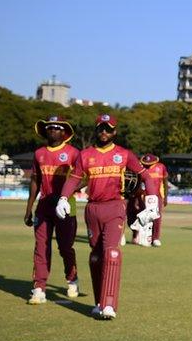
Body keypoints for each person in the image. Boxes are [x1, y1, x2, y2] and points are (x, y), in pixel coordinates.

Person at [56, 114, 159, 320]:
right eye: (101, 128)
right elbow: (74, 179)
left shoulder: (124, 154)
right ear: (96, 130)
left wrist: (152, 198)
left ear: (115, 131)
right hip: (93, 209)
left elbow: (145, 175)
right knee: (96, 256)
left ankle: (109, 305)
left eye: (108, 128)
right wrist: (63, 198)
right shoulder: (85, 155)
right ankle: (99, 302)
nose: (104, 132)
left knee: (112, 253)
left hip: (115, 207)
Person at [24, 115, 80, 304]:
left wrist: (67, 193)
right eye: (49, 127)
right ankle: (39, 287)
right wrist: (29, 207)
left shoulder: (73, 153)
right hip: (44, 207)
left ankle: (72, 278)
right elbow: (35, 181)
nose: (53, 130)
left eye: (57, 127)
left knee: (65, 247)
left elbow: (83, 178)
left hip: (66, 206)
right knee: (41, 247)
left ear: (64, 132)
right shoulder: (39, 153)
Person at [140, 154, 168, 246]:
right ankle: (145, 238)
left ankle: (155, 238)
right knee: (145, 218)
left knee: (157, 217)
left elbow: (165, 182)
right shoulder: (141, 168)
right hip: (145, 196)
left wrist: (166, 197)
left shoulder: (161, 167)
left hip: (157, 196)